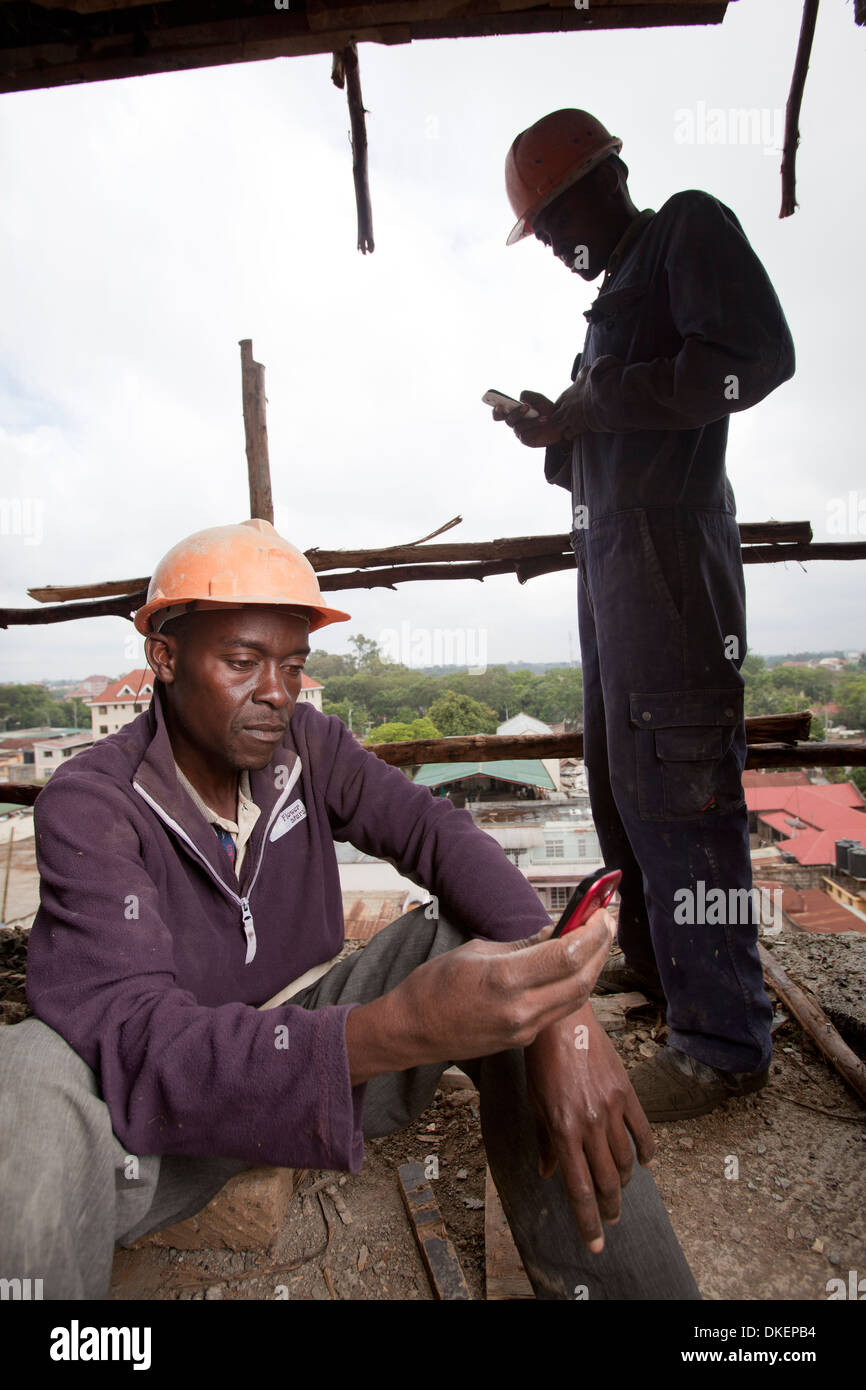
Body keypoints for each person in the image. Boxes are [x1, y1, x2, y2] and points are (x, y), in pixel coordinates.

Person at [0, 518, 699, 1301]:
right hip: (152, 1130)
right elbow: (139, 1047)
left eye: (292, 665)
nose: (276, 690)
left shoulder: (305, 746)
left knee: (504, 958)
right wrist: (394, 1030)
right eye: (241, 661)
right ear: (163, 658)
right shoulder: (93, 802)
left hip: (297, 1042)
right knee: (26, 1074)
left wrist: (566, 1012)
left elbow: (438, 834)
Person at [493, 109, 796, 1122]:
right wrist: (553, 424)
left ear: (594, 185)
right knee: (626, 785)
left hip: (668, 568)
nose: (543, 248)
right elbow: (612, 431)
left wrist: (596, 398)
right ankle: (668, 981)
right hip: (610, 571)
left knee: (679, 784)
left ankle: (722, 1045)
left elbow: (749, 360)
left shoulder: (683, 231)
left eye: (542, 226)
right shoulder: (608, 305)